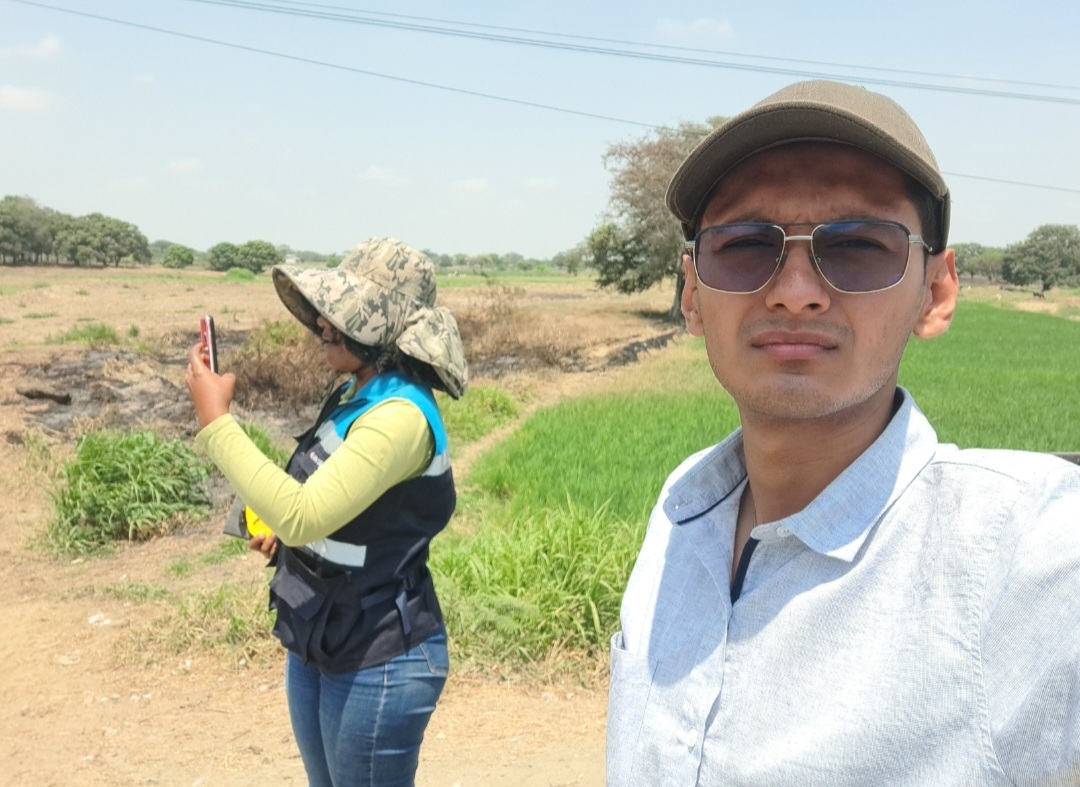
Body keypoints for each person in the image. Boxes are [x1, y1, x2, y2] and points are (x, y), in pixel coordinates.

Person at [606, 80, 1080, 786]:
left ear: (935, 293)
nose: (795, 292)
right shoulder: (683, 507)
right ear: (693, 294)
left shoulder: (1023, 558)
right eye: (744, 245)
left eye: (858, 246)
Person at [185, 237, 468, 787]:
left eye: (342, 314)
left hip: (381, 655)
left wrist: (216, 421)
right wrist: (285, 535)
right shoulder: (356, 393)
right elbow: (323, 504)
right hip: (322, 631)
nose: (322, 323)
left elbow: (303, 513)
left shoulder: (400, 416)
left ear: (385, 328)